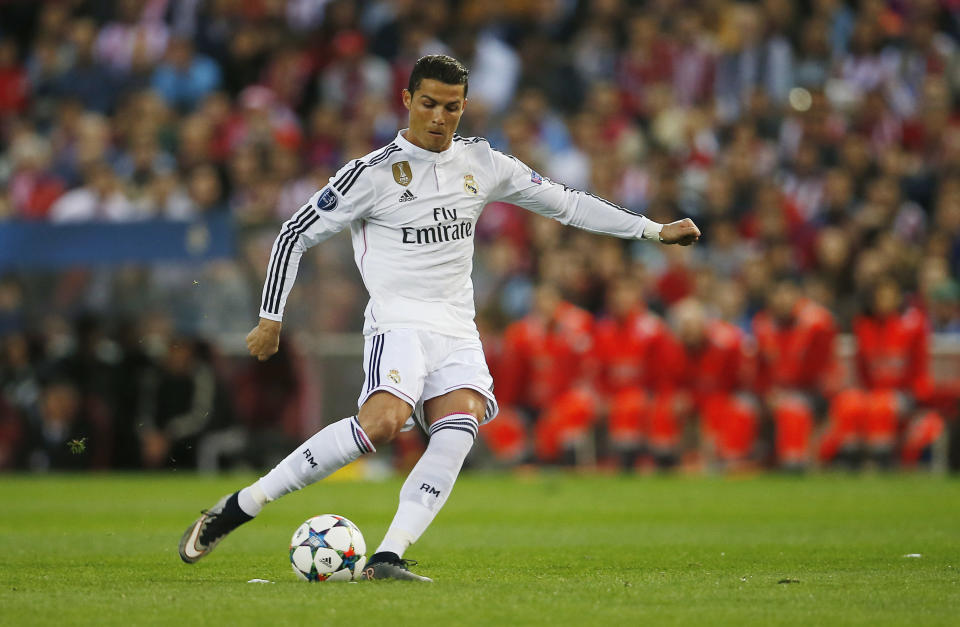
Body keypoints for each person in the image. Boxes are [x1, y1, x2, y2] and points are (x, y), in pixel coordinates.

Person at [178, 55, 700, 581]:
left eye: (451, 107)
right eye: (428, 104)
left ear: (464, 108)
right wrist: (271, 317)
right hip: (398, 321)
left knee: (460, 426)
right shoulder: (371, 174)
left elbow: (566, 202)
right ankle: (241, 505)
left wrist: (652, 231)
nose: (438, 117)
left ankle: (388, 556)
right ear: (406, 101)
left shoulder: (483, 163)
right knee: (382, 423)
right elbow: (293, 233)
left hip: (456, 326)